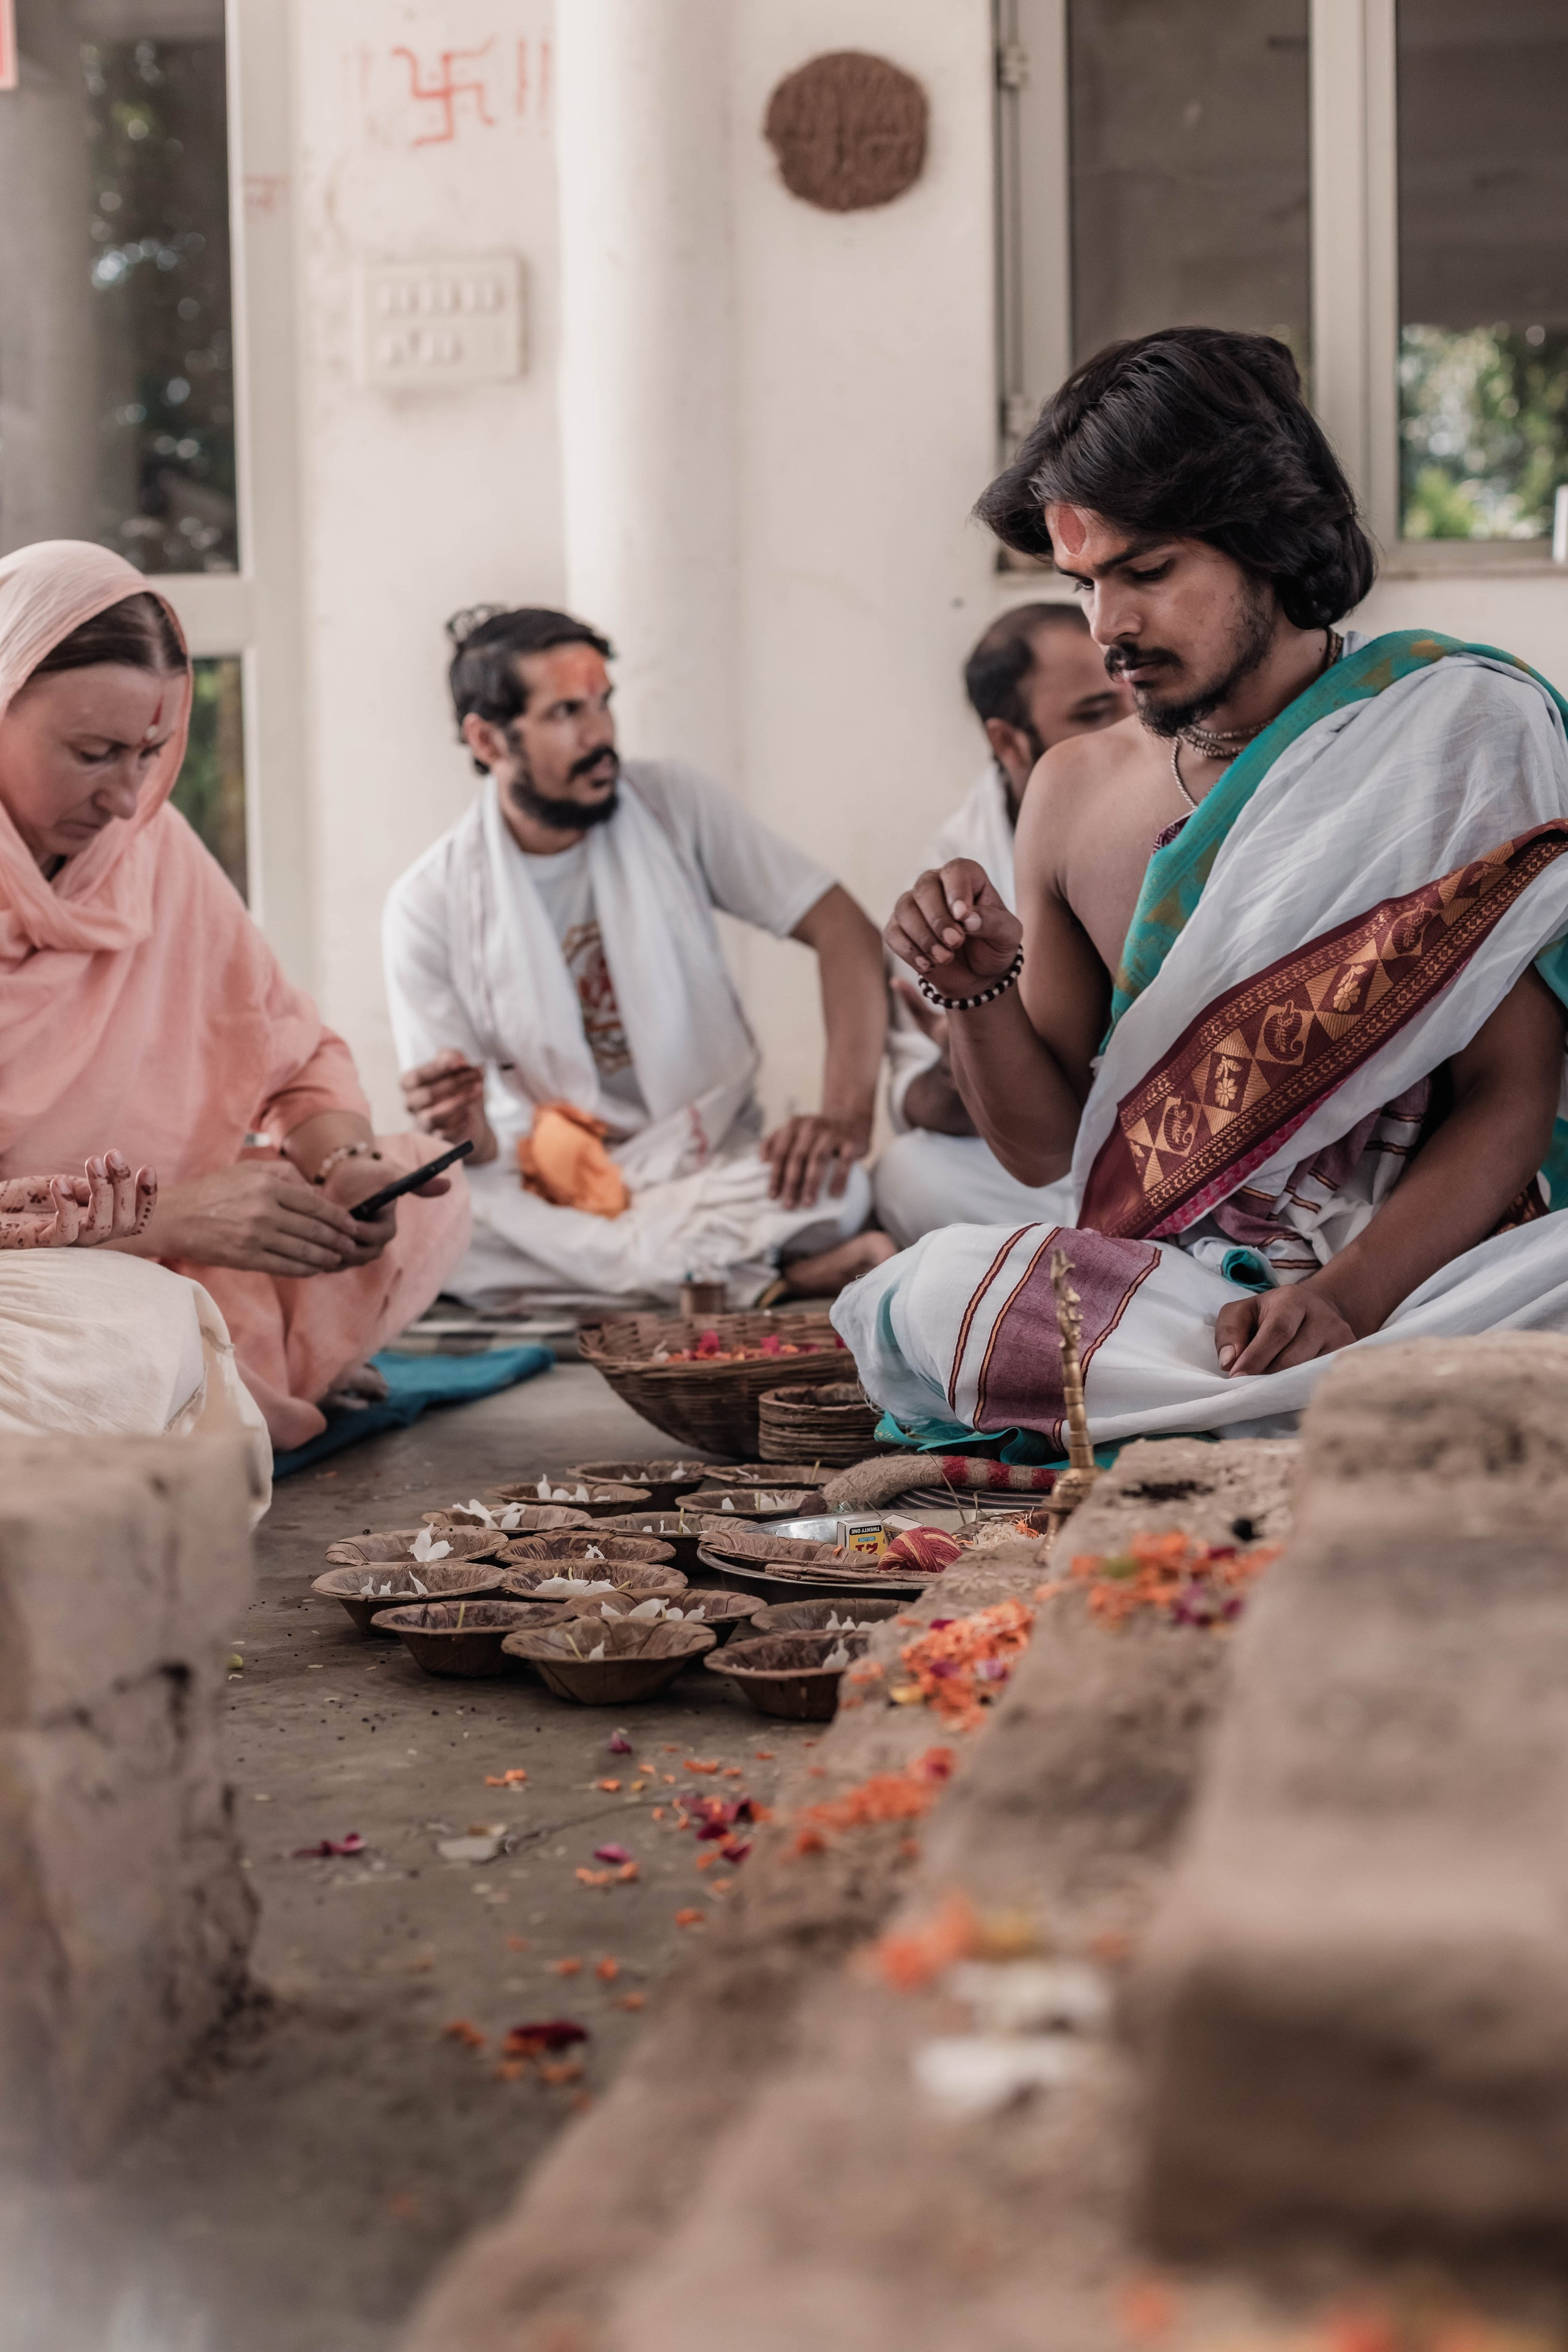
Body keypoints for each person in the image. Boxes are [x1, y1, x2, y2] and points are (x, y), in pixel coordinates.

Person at [835, 327, 1568, 1453]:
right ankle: (1351, 1418)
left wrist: (1346, 1298)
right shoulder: (1073, 793)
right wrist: (972, 991)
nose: (1108, 628)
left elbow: (1509, 1094)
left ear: (1269, 541)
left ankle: (1294, 1412)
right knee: (933, 1297)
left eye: (1148, 573)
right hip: (1196, 1302)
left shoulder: (1458, 735)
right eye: (1085, 585)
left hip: (1438, 1278)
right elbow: (1042, 1151)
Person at [0, 540, 470, 1455]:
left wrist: (348, 1166)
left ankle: (217, 1378)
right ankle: (230, 1378)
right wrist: (165, 1220)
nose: (126, 797)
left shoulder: (149, 850)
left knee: (426, 1197)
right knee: (127, 1327)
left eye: (149, 753)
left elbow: (291, 1053)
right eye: (94, 753)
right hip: (39, 1283)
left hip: (171, 1261)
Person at [382, 607, 891, 1314]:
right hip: (555, 1182)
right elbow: (476, 1146)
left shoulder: (672, 804)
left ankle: (668, 1274)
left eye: (603, 703)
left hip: (709, 1158)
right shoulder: (427, 903)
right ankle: (767, 1281)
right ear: (487, 739)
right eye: (566, 712)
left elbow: (845, 931)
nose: (600, 736)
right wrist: (461, 1123)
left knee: (839, 1190)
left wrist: (844, 1116)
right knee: (426, 1216)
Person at [876, 603, 1131, 1245]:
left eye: (1135, 694)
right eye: (1095, 715)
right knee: (910, 1174)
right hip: (1050, 1162)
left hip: (1188, 1137)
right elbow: (915, 1101)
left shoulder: (1177, 791)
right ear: (1009, 743)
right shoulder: (953, 877)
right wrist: (972, 1042)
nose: (1132, 729)